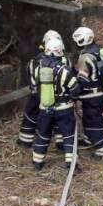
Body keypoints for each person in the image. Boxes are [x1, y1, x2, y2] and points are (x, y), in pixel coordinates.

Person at [30, 31, 80, 172]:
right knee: (68, 136)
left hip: (44, 109)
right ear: (60, 52)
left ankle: (37, 162)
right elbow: (75, 89)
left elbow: (33, 86)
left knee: (43, 134)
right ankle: (71, 164)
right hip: (64, 109)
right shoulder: (64, 70)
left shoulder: (38, 69)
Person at [71, 25, 103, 160]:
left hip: (92, 95)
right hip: (102, 92)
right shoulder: (99, 51)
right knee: (91, 117)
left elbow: (83, 80)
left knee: (93, 121)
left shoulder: (85, 58)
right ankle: (88, 138)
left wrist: (73, 92)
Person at [16, 30, 59, 148]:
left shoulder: (35, 60)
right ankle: (60, 143)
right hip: (55, 96)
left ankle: (25, 140)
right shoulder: (62, 61)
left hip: (36, 94)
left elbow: (30, 75)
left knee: (31, 115)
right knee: (58, 117)